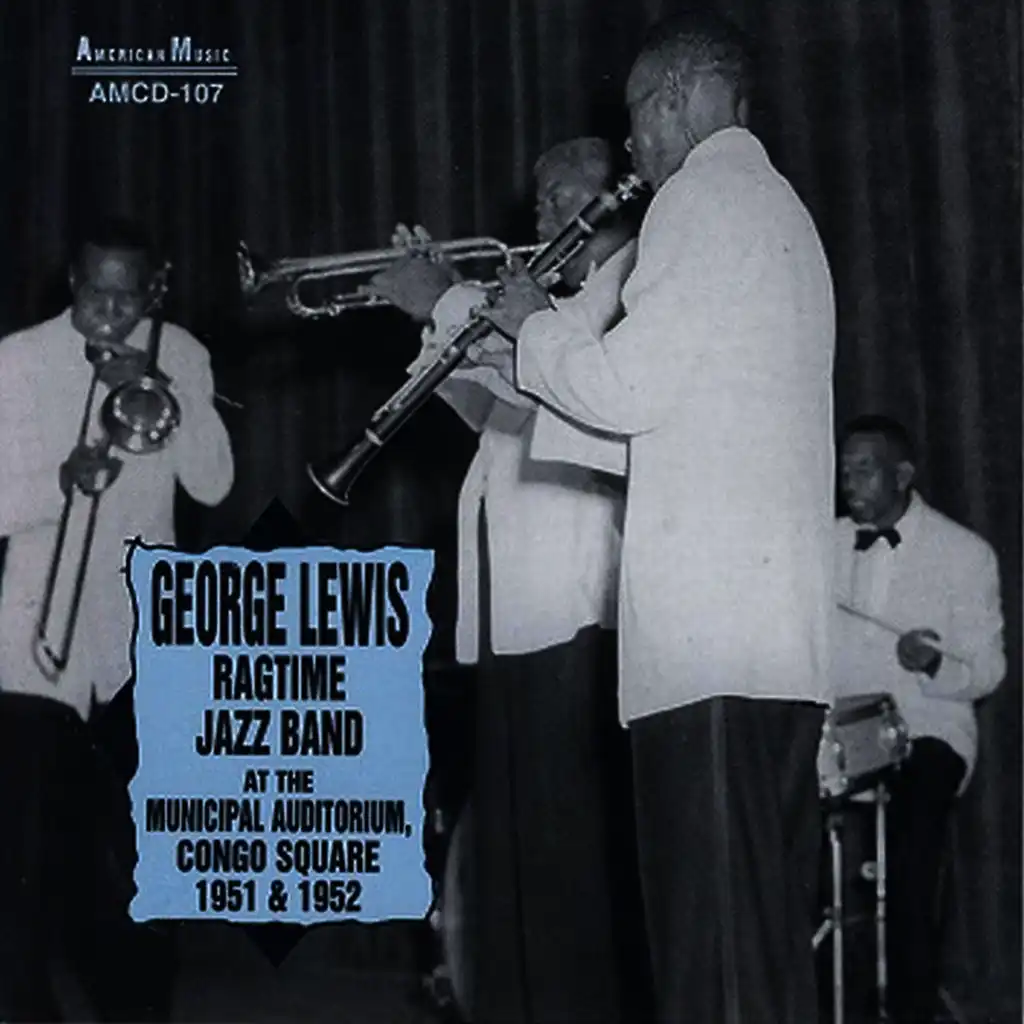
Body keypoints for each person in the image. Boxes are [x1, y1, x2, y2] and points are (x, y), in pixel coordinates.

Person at [483, 12, 836, 1024]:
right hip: (769, 644)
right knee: (758, 946)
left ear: (679, 95)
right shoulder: (778, 212)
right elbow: (675, 420)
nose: (629, 142)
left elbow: (627, 389)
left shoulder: (699, 199)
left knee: (711, 959)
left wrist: (531, 327)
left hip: (708, 643)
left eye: (635, 115)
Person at [366, 137, 650, 1024]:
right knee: (520, 850)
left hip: (577, 609)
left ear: (612, 203)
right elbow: (490, 407)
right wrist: (438, 322)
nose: (537, 212)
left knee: (567, 855)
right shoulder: (549, 302)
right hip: (511, 613)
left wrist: (452, 302)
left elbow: (585, 396)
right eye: (537, 198)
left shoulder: (630, 287)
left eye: (559, 193)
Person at [0, 216, 235, 1021]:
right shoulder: (19, 360)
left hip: (140, 638)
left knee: (140, 869)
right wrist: (57, 483)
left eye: (125, 295)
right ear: (73, 281)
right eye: (95, 291)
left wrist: (168, 389)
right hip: (34, 645)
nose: (108, 310)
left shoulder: (184, 352)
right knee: (22, 870)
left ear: (153, 290)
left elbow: (212, 485)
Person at [833, 414, 1006, 1024]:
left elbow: (988, 670)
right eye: (846, 469)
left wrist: (935, 664)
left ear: (903, 475)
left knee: (914, 829)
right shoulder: (821, 544)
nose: (850, 483)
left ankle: (911, 1006)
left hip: (928, 729)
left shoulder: (965, 553)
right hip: (840, 735)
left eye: (865, 470)